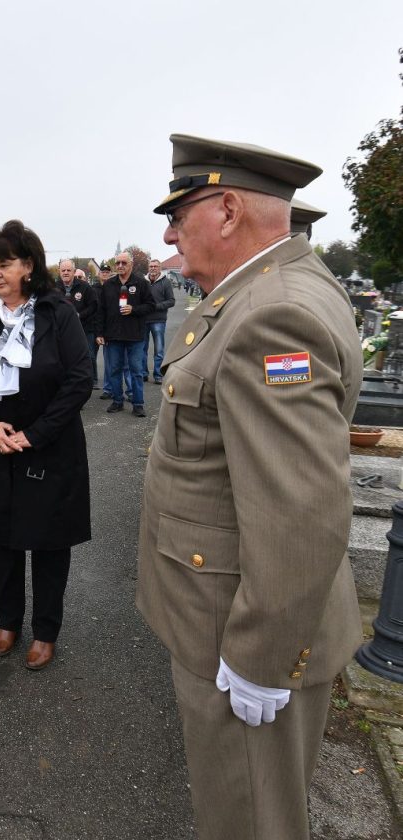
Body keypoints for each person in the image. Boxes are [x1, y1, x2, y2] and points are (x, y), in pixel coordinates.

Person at [138, 134, 362, 839]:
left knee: (252, 818)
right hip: (231, 607)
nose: (169, 235)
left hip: (238, 628)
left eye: (179, 216)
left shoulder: (271, 315)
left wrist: (261, 658)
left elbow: (300, 508)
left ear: (228, 210)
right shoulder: (271, 289)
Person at [0, 221, 92, 670]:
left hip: (49, 447)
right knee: (5, 539)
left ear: (29, 265)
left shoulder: (58, 314)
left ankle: (46, 630)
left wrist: (35, 434)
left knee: (49, 544)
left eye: (6, 263)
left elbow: (79, 380)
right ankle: (8, 621)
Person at [97, 252, 155, 416]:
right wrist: (100, 333)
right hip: (113, 335)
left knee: (136, 371)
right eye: (118, 263)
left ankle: (138, 404)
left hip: (135, 335)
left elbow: (151, 305)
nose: (120, 265)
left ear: (131, 264)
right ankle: (117, 401)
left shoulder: (141, 283)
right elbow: (101, 311)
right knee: (114, 370)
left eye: (124, 262)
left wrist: (133, 309)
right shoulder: (108, 285)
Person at [59, 259, 100, 388]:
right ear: (59, 272)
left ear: (74, 271)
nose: (66, 273)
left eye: (68, 270)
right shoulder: (54, 288)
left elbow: (94, 305)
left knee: (87, 356)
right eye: (63, 270)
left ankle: (89, 381)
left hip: (84, 329)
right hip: (62, 331)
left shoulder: (84, 287)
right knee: (64, 358)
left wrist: (80, 315)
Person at [142, 258, 175, 383]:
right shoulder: (143, 282)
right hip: (143, 320)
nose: (153, 268)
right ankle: (143, 373)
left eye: (155, 266)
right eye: (151, 266)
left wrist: (156, 306)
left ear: (159, 268)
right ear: (148, 268)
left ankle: (158, 375)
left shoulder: (165, 282)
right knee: (142, 349)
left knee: (159, 349)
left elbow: (171, 301)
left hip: (158, 320)